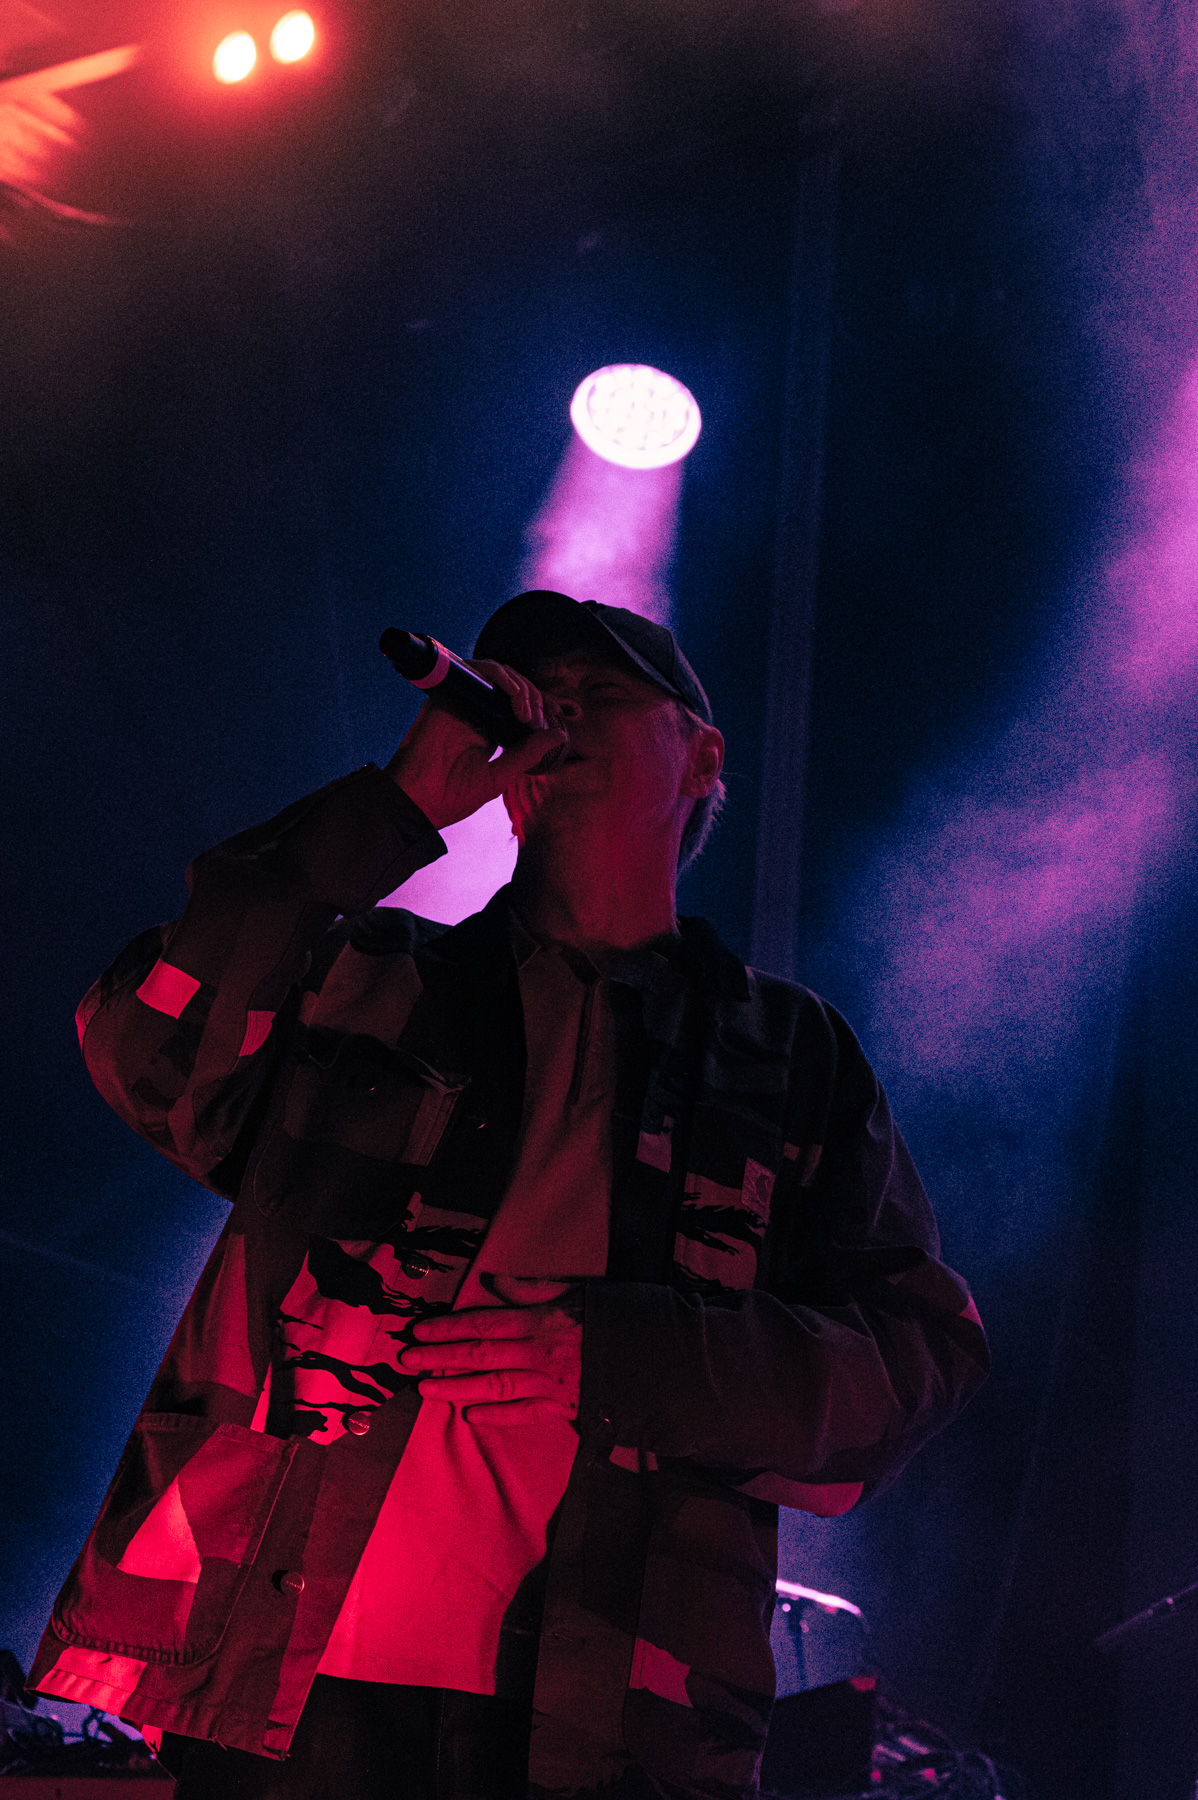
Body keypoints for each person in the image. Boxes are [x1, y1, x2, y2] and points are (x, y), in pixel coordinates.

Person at [29, 591, 988, 1800]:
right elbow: (146, 1046)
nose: (560, 711)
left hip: (612, 1723)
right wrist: (392, 811)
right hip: (282, 1692)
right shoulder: (373, 987)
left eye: (603, 691)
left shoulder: (787, 1056)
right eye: (538, 693)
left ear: (702, 756)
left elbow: (916, 1357)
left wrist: (623, 1356)